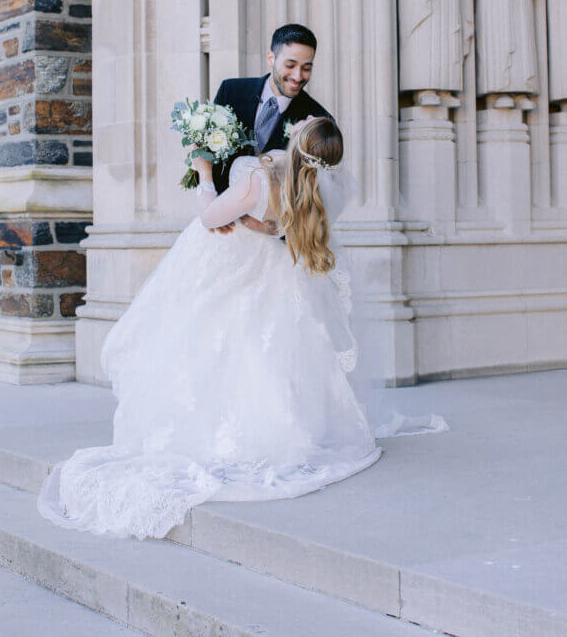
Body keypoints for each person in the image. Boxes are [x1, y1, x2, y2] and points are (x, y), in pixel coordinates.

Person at [38, 117, 445, 541]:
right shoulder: (324, 189)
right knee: (264, 359)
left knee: (215, 352)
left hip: (230, 271)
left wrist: (204, 172)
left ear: (299, 139)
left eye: (305, 122)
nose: (301, 117)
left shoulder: (258, 177)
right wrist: (265, 225)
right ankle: (285, 430)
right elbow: (289, 227)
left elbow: (210, 217)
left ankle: (217, 436)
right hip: (274, 279)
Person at [212, 22, 332, 195]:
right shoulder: (230, 92)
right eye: (290, 66)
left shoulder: (317, 119)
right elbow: (209, 157)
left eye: (306, 68)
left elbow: (309, 190)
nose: (298, 76)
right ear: (271, 58)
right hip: (219, 208)